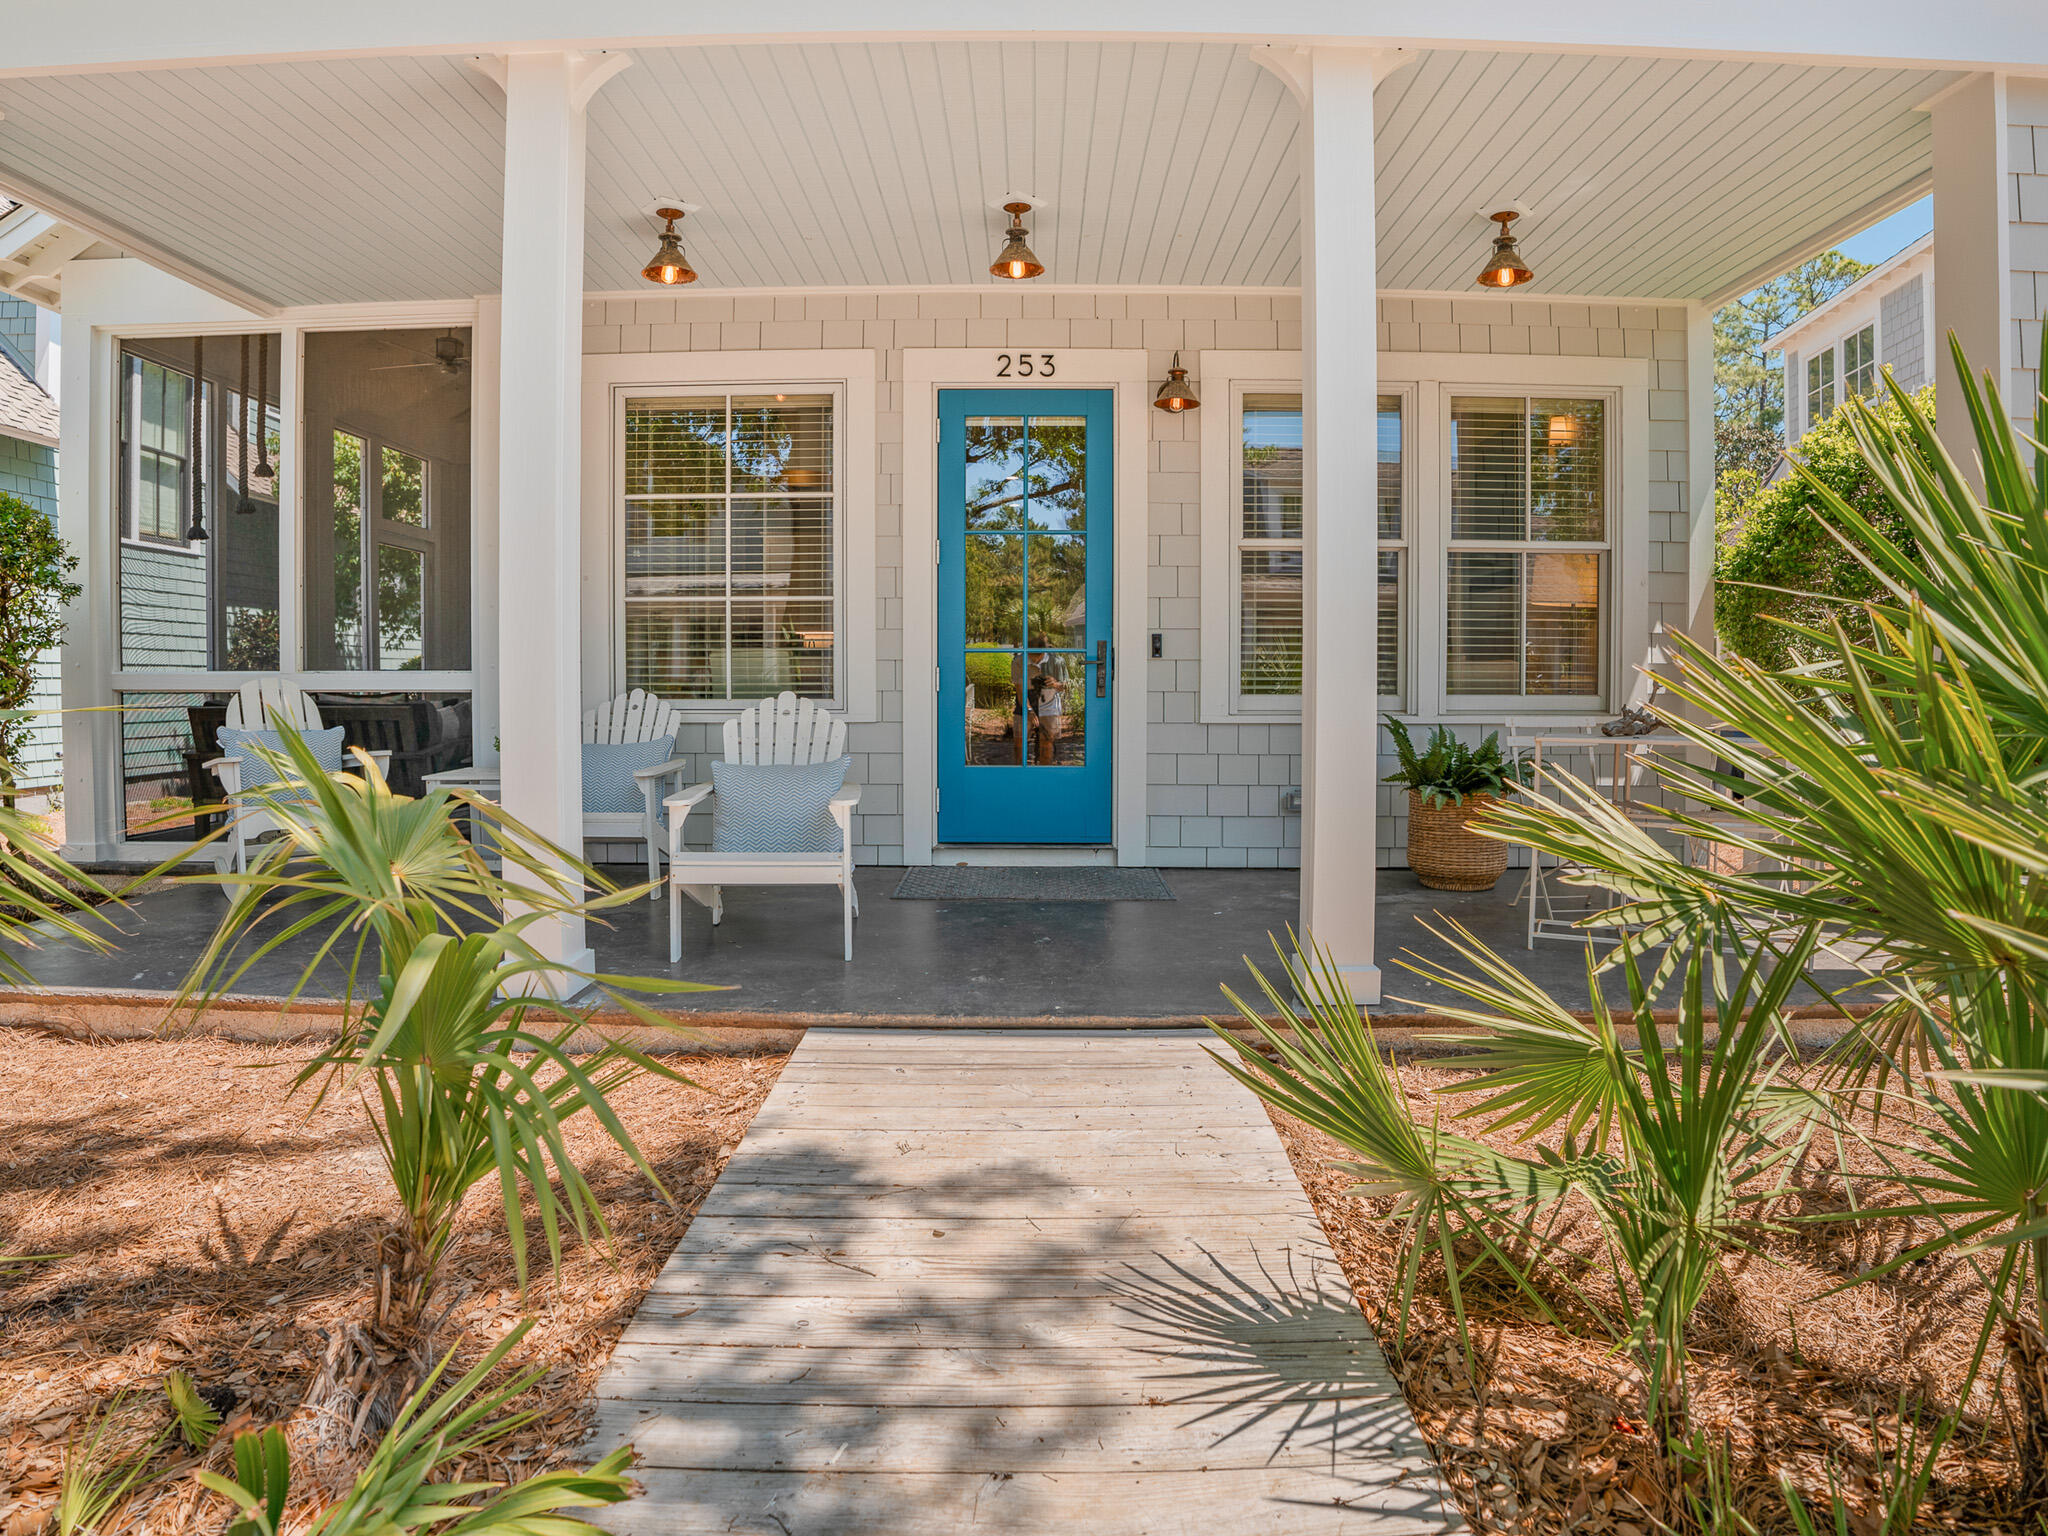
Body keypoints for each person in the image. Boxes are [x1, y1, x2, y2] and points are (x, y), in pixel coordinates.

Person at [1029, 655, 1069, 764]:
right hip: (1030, 701)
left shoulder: (1057, 660)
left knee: (1047, 739)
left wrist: (1054, 683)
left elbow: (1065, 686)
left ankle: (1047, 766)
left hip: (1048, 704)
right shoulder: (1023, 659)